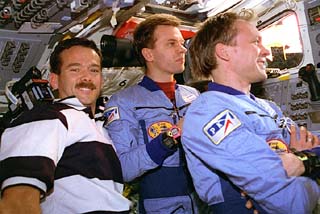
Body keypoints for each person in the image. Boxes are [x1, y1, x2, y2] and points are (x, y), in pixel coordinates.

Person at [181, 11, 320, 214]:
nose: (266, 52)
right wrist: (308, 169)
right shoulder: (207, 111)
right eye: (256, 42)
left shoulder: (267, 108)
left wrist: (303, 160)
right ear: (224, 52)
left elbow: (311, 143)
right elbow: (290, 203)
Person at [0, 38, 131, 213]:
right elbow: (18, 202)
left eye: (94, 70)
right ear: (54, 80)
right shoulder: (48, 117)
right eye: (75, 69)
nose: (86, 77)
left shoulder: (101, 128)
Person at [104, 14, 200, 213]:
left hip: (204, 200)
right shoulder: (124, 102)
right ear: (149, 54)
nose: (182, 49)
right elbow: (123, 168)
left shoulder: (193, 96)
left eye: (182, 43)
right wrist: (173, 136)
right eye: (171, 43)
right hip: (161, 202)